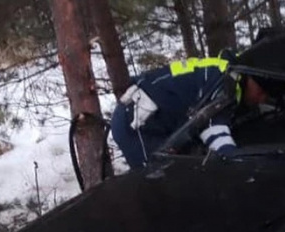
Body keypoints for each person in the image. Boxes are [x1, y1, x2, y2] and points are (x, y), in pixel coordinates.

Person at [110, 54, 269, 169]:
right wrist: (240, 166)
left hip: (150, 119)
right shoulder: (225, 81)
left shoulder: (223, 71)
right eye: (262, 92)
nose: (262, 99)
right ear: (251, 79)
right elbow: (213, 128)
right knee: (155, 180)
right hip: (136, 122)